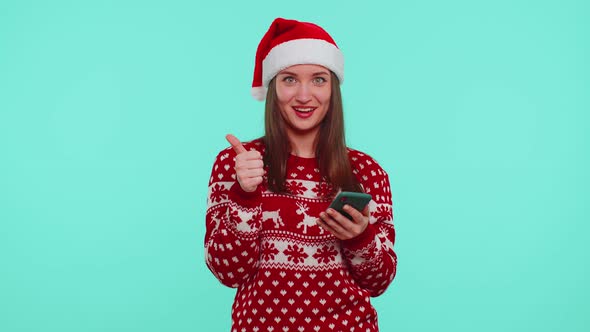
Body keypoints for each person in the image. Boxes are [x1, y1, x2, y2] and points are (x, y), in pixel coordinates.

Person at [204, 17, 397, 332]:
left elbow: (380, 281)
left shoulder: (368, 172)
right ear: (273, 88)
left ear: (333, 88)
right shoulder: (237, 162)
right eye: (290, 79)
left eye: (319, 79)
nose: (305, 96)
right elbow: (227, 272)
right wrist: (245, 195)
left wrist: (359, 237)